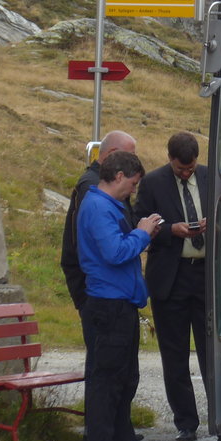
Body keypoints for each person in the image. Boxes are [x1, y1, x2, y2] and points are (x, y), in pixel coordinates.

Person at [136, 131, 221, 441]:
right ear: (169, 159)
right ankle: (186, 424)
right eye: (180, 169)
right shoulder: (152, 183)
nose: (186, 173)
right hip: (171, 280)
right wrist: (169, 231)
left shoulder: (210, 177)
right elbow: (139, 224)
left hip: (206, 278)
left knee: (215, 354)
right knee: (174, 356)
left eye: (190, 169)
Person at [77, 150, 162, 441]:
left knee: (125, 382)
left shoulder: (109, 206)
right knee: (107, 384)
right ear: (117, 176)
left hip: (121, 303)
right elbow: (114, 253)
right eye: (132, 183)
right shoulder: (98, 206)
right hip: (107, 305)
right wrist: (141, 232)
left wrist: (142, 234)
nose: (134, 190)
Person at [61, 130, 137, 311]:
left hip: (112, 288)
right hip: (98, 292)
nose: (134, 163)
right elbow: (93, 245)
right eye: (130, 157)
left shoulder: (110, 182)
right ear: (111, 154)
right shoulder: (93, 186)